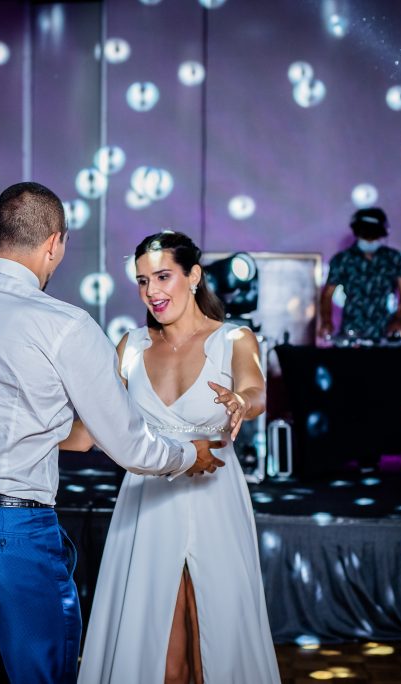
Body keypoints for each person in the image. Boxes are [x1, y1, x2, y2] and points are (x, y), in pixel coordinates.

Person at [0, 182, 224, 683]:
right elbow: (129, 445)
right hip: (12, 532)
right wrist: (188, 456)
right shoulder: (64, 324)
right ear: (54, 244)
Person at [73, 231, 280, 684]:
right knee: (156, 645)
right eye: (142, 281)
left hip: (215, 497)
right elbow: (88, 432)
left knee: (217, 637)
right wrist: (21, 432)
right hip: (148, 499)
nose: (152, 291)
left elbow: (255, 389)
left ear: (194, 275)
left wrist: (241, 402)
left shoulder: (234, 338)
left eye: (163, 276)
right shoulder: (130, 346)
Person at [319, 207, 401, 341]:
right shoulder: (342, 260)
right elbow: (327, 295)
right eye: (365, 232)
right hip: (352, 331)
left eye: (373, 233)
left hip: (385, 331)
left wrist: (398, 319)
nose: (369, 238)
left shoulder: (393, 258)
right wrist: (326, 321)